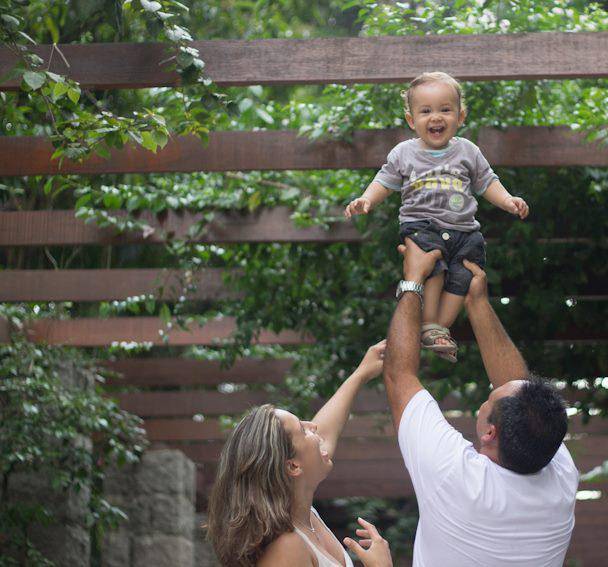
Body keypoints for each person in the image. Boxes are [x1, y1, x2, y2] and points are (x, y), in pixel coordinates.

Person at [382, 239, 579, 566]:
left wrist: (412, 280)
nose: (495, 390)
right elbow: (518, 391)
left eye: (489, 399)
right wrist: (478, 304)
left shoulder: (457, 479)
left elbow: (399, 377)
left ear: (490, 433)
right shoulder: (556, 474)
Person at [344, 71, 530, 363]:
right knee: (433, 267)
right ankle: (428, 319)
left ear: (460, 115)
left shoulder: (468, 151)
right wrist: (367, 199)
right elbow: (385, 181)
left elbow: (486, 181)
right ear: (411, 120)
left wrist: (507, 200)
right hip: (422, 226)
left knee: (465, 275)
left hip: (464, 230)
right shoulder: (404, 153)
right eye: (426, 111)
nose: (436, 117)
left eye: (445, 109)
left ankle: (438, 329)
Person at [206, 340, 393, 567]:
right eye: (303, 429)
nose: (313, 427)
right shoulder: (286, 547)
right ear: (293, 466)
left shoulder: (305, 516)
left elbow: (321, 435)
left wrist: (361, 374)